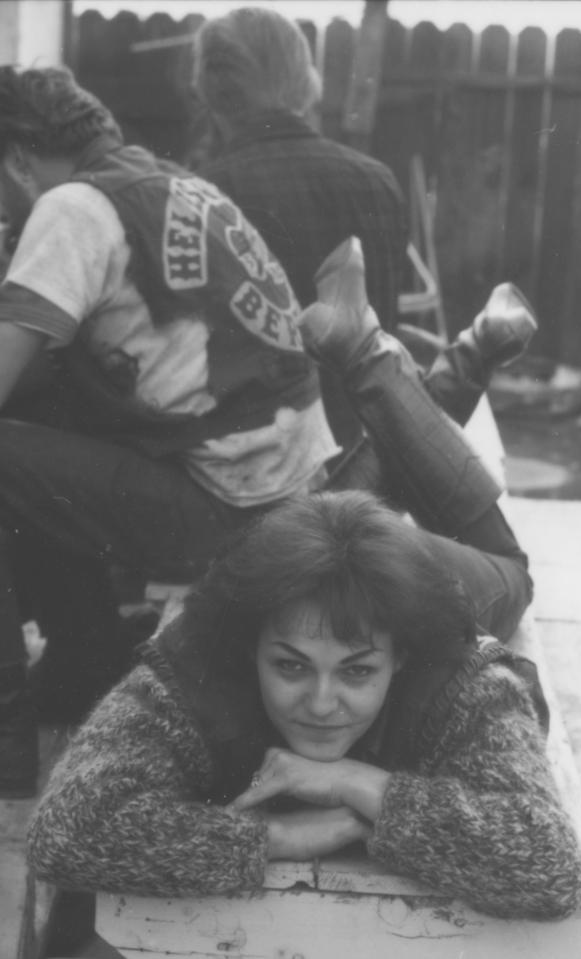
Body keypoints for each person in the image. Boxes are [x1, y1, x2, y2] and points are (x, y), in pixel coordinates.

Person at [0, 64, 340, 798]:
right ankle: (85, 658)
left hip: (229, 508)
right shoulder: (166, 183)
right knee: (43, 432)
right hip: (287, 488)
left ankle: (6, 741)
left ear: (19, 160)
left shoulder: (69, 207)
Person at [27, 488, 581, 919]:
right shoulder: (201, 661)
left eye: (357, 671)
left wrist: (360, 784)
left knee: (512, 576)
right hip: (309, 545)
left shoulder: (465, 683)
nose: (321, 704)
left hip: (461, 582)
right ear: (252, 647)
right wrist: (274, 837)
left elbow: (548, 863)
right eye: (290, 666)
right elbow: (65, 830)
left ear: (400, 658)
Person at [190, 6, 537, 447]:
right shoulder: (376, 182)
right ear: (303, 80)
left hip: (260, 468)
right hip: (367, 455)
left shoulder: (205, 193)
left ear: (211, 90)